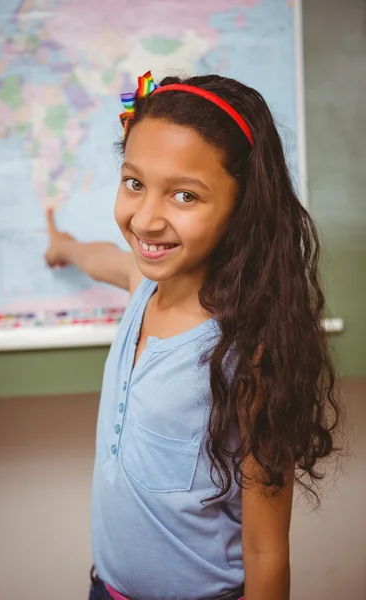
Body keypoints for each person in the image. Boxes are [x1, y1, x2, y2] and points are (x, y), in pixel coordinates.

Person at [45, 71, 341, 600]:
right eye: (134, 183)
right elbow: (101, 259)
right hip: (105, 589)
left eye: (184, 195)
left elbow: (267, 552)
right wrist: (65, 247)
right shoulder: (142, 284)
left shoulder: (248, 354)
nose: (146, 219)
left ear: (242, 208)